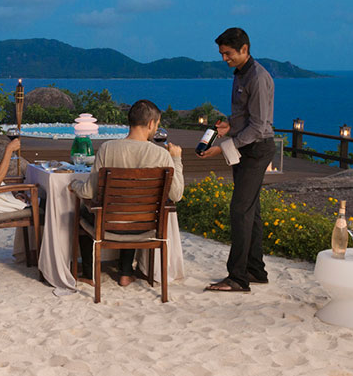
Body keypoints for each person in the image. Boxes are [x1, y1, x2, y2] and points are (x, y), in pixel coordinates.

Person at [69, 100, 183, 286]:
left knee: (85, 210)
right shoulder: (162, 155)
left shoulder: (107, 148)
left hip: (109, 225)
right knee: (134, 208)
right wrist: (176, 160)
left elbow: (89, 192)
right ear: (151, 124)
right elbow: (177, 195)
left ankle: (90, 274)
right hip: (145, 226)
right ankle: (125, 272)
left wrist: (75, 185)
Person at [198, 27, 276, 293]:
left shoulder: (258, 78)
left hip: (256, 149)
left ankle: (238, 278)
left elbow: (259, 126)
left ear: (244, 49)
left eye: (228, 53)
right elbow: (246, 117)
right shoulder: (240, 74)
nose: (224, 58)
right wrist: (228, 125)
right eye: (221, 54)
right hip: (244, 147)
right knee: (250, 211)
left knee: (240, 210)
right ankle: (256, 270)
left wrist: (223, 147)